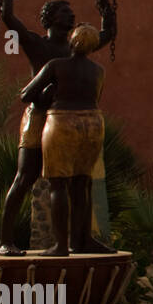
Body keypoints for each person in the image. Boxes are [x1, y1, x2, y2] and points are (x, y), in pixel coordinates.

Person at [0, 0, 117, 256]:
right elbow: (9, 17)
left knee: (79, 182)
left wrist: (105, 4)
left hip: (66, 122)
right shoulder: (38, 44)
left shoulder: (77, 51)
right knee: (25, 177)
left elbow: (108, 33)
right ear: (50, 18)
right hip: (39, 117)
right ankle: (5, 240)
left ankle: (81, 240)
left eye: (72, 14)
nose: (72, 16)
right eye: (65, 13)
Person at [19, 24, 107, 257]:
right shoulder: (98, 70)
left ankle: (59, 245)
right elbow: (96, 96)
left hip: (62, 122)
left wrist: (51, 89)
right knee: (82, 183)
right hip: (93, 123)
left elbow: (26, 95)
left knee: (58, 184)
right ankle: (82, 240)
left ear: (72, 42)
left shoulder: (56, 66)